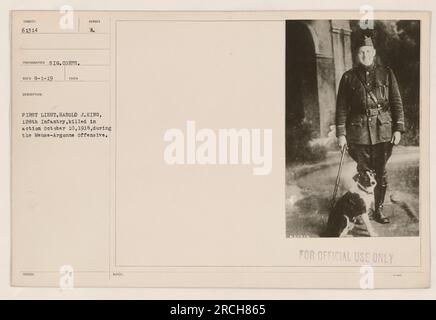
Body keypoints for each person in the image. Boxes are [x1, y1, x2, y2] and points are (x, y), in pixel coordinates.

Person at [335, 34, 405, 224]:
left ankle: (378, 210)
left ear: (374, 53)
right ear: (357, 55)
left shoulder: (387, 73)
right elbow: (341, 107)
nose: (365, 55)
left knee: (380, 172)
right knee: (364, 172)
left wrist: (398, 128)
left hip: (383, 131)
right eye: (361, 52)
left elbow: (396, 102)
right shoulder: (348, 77)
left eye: (368, 51)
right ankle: (361, 208)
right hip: (358, 133)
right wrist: (341, 134)